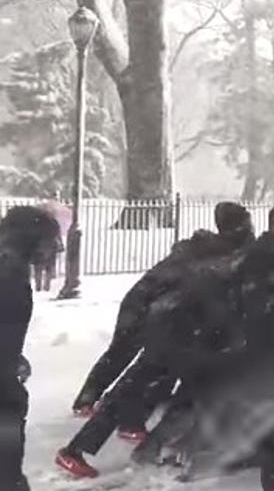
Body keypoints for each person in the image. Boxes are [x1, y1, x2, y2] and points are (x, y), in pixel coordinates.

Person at [56, 203, 255, 478]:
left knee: (141, 381)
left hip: (163, 319)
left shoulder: (201, 249)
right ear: (241, 228)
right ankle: (153, 447)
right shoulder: (226, 257)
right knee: (183, 388)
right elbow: (213, 299)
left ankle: (93, 442)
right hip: (180, 327)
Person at [0, 206, 63, 491]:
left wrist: (14, 357)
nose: (54, 251)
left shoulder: (11, 265)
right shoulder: (9, 273)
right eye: (50, 242)